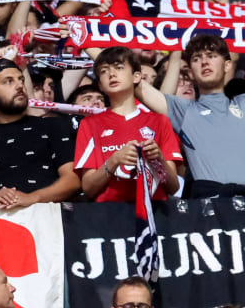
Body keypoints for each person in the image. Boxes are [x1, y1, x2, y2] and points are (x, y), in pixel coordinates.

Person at [134, 35, 245, 197]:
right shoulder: (184, 110)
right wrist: (92, 43)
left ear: (227, 65)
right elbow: (138, 86)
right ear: (191, 72)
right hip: (211, 210)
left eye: (212, 56)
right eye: (196, 59)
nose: (204, 62)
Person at [0, 60, 80, 208]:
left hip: (47, 220)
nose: (19, 86)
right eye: (8, 81)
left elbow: (73, 180)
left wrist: (31, 198)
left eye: (21, 80)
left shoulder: (52, 126)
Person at [76, 48, 182, 203]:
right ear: (100, 84)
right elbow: (88, 188)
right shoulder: (89, 124)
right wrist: (114, 160)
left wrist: (158, 160)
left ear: (136, 76)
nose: (111, 74)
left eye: (119, 68)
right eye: (104, 71)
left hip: (155, 213)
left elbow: (173, 187)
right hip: (109, 215)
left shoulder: (160, 121)